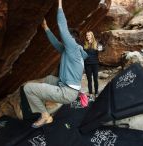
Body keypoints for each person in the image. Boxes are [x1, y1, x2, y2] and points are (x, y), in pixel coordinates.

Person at [22, 0, 88, 128]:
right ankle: (44, 96)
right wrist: (46, 28)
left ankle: (45, 115)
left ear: (72, 40)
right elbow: (55, 43)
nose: (65, 40)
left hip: (67, 92)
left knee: (28, 88)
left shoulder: (73, 48)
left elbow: (62, 28)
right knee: (49, 79)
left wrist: (60, 4)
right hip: (68, 89)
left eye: (67, 38)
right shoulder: (71, 52)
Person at [83, 31, 103, 98]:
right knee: (89, 80)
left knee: (95, 79)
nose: (87, 36)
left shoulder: (96, 43)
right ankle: (91, 94)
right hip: (87, 64)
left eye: (89, 35)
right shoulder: (85, 44)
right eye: (86, 35)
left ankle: (96, 93)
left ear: (92, 36)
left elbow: (102, 49)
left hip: (95, 64)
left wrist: (101, 48)